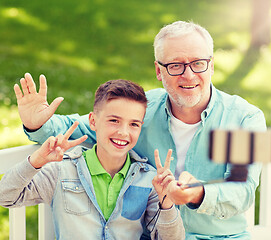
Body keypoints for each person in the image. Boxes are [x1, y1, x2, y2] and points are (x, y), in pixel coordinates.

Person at [16, 21, 266, 239]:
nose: (189, 75)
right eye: (176, 65)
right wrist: (36, 123)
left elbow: (243, 192)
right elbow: (75, 128)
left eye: (198, 63)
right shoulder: (141, 111)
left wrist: (196, 193)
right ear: (159, 70)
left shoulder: (247, 119)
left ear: (211, 66)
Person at [0, 79, 185, 240]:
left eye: (134, 124)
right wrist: (36, 162)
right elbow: (5, 196)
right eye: (114, 120)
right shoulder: (61, 169)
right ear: (93, 121)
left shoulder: (149, 180)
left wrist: (166, 203)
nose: (123, 132)